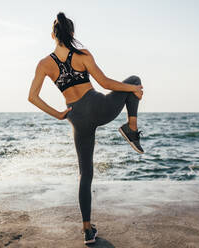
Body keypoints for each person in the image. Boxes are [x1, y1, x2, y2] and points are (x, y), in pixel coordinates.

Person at [28, 11, 144, 244]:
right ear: (72, 33)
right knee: (133, 80)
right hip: (98, 108)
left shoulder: (44, 64)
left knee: (85, 174)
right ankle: (131, 129)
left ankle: (87, 229)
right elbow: (105, 82)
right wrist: (133, 90)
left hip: (76, 118)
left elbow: (33, 97)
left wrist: (60, 114)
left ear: (53, 35)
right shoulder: (82, 54)